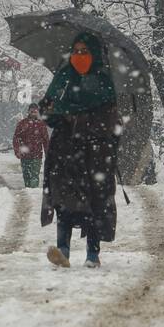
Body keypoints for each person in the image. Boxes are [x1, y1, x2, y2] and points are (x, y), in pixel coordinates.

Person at [39, 32, 120, 269]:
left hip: (95, 153)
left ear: (94, 54)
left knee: (94, 203)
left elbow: (110, 120)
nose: (79, 56)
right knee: (64, 200)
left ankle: (92, 254)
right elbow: (50, 112)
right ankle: (62, 250)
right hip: (65, 151)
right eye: (75, 51)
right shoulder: (63, 78)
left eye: (84, 51)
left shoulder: (104, 82)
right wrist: (52, 112)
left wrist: (80, 118)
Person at [13, 105, 49, 187]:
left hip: (37, 156)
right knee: (26, 177)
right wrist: (17, 151)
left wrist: (48, 154)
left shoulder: (41, 125)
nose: (33, 113)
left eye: (35, 111)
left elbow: (46, 141)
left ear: (37, 112)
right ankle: (29, 192)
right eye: (31, 111)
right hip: (24, 155)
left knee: (34, 177)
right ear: (28, 111)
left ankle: (33, 192)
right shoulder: (22, 124)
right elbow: (16, 138)